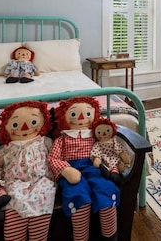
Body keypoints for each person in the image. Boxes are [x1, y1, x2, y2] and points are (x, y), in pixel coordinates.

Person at [48, 96, 119, 241]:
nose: (81, 117)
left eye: (87, 114)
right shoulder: (62, 139)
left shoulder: (94, 135)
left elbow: (106, 150)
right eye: (73, 114)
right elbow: (53, 158)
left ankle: (110, 236)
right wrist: (65, 169)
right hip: (71, 170)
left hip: (93, 166)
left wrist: (113, 168)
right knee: (77, 194)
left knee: (105, 188)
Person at [0, 101, 56, 241]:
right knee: (14, 201)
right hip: (15, 183)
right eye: (15, 124)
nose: (24, 127)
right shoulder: (9, 147)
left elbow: (56, 157)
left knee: (44, 194)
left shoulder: (44, 142)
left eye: (34, 121)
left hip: (41, 183)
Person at [90, 118, 131, 185]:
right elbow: (97, 152)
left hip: (113, 158)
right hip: (103, 159)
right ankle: (106, 172)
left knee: (117, 166)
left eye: (108, 130)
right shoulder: (97, 144)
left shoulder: (114, 142)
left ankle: (114, 173)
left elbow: (120, 150)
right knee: (101, 165)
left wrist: (124, 158)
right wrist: (97, 159)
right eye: (99, 132)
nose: (103, 133)